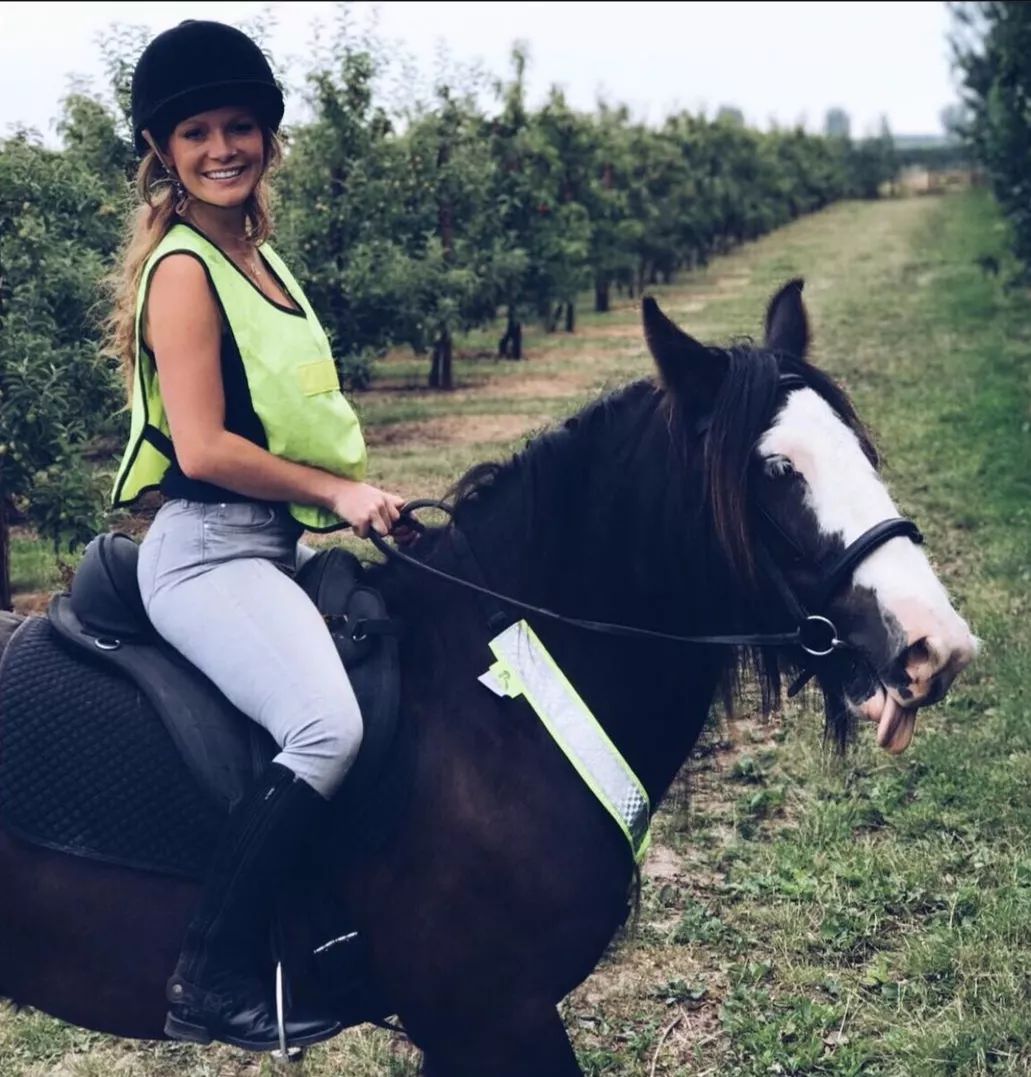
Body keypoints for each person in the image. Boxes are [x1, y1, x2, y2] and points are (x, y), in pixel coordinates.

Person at [105, 18, 410, 1054]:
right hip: (205, 552)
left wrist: (351, 495)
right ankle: (211, 978)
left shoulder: (257, 254)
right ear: (163, 150)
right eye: (196, 132)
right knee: (326, 727)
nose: (222, 147)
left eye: (241, 126)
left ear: (270, 138)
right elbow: (205, 442)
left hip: (268, 544)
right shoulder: (188, 269)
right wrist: (341, 489)